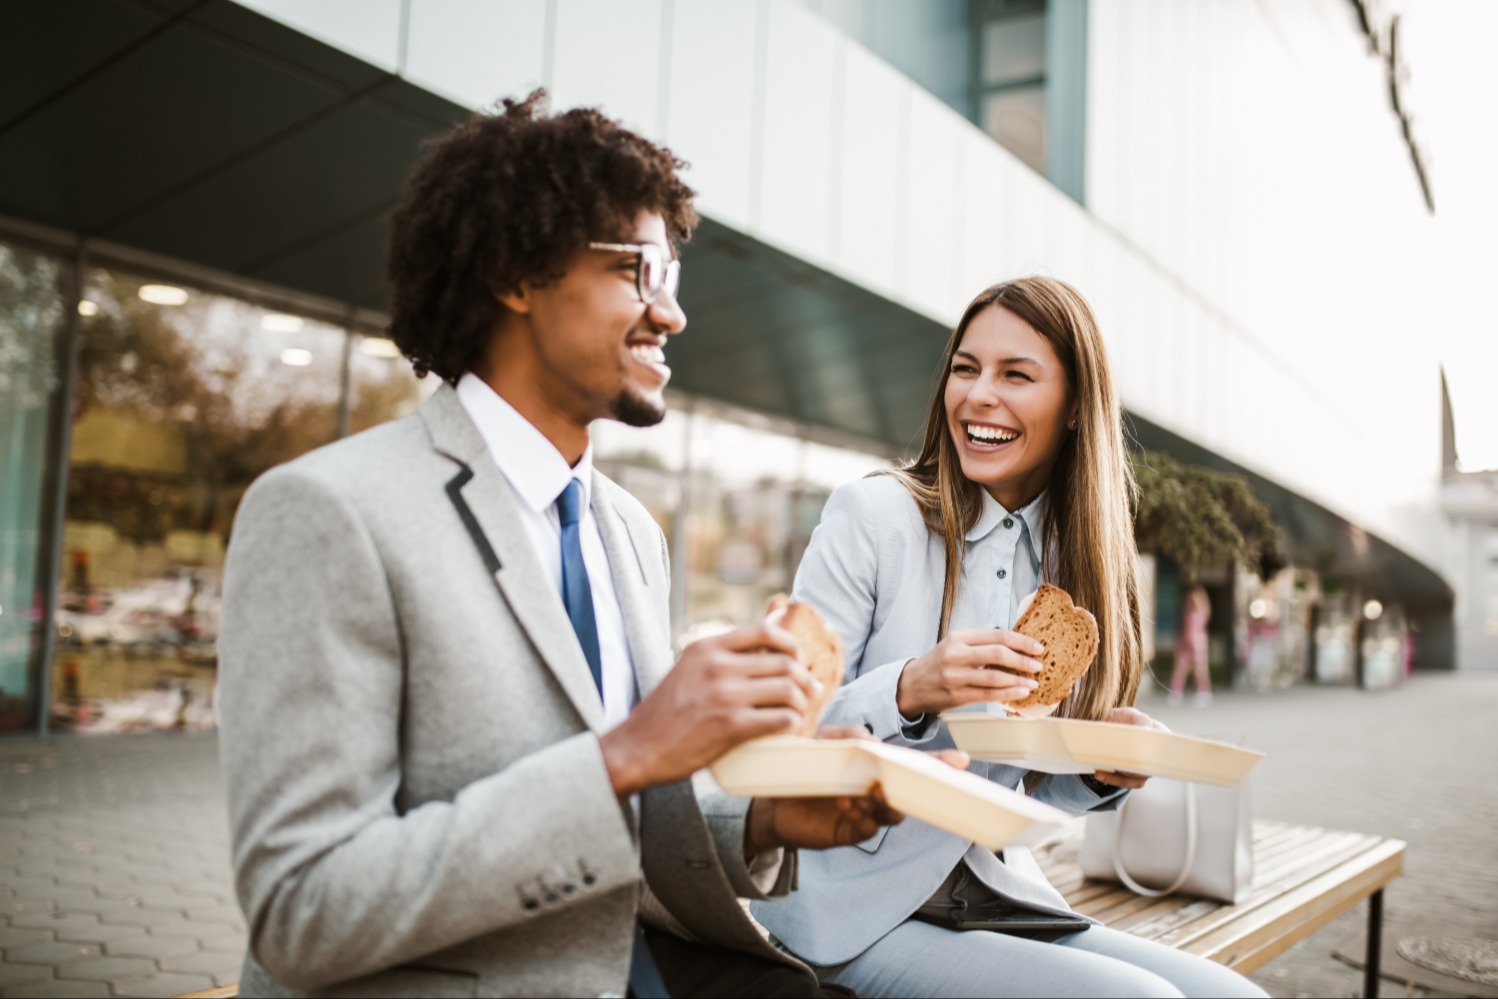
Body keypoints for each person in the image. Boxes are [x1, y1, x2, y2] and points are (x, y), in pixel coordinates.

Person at [216, 91, 911, 999]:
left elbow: (625, 814)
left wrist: (768, 815)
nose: (673, 316)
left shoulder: (628, 531)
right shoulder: (326, 512)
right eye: (638, 272)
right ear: (516, 272)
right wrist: (628, 751)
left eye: (675, 281)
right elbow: (302, 910)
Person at [752, 277, 1266, 998]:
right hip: (847, 908)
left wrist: (1097, 772)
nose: (978, 396)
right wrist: (909, 687)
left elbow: (1022, 789)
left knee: (1236, 996)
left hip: (989, 889)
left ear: (1076, 407)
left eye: (1015, 375)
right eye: (966, 368)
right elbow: (782, 739)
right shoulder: (872, 515)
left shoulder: (1071, 557)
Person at [1169, 584, 1213, 706]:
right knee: (1180, 669)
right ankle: (1176, 692)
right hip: (1185, 643)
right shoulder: (1187, 612)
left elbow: (1195, 629)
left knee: (1200, 670)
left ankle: (1203, 692)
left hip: (1197, 644)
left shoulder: (1201, 612)